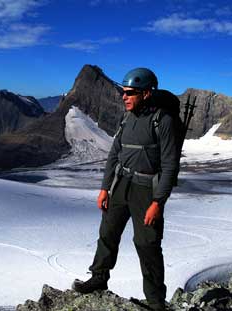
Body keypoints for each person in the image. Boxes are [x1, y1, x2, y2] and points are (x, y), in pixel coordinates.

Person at [72, 68, 181, 311]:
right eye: (123, 92)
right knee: (108, 232)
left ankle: (155, 302)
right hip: (121, 185)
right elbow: (114, 155)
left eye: (130, 92)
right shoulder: (128, 118)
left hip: (146, 190)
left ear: (146, 93)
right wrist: (104, 188)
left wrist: (157, 203)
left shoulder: (163, 120)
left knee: (147, 244)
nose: (124, 96)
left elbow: (170, 165)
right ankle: (99, 278)